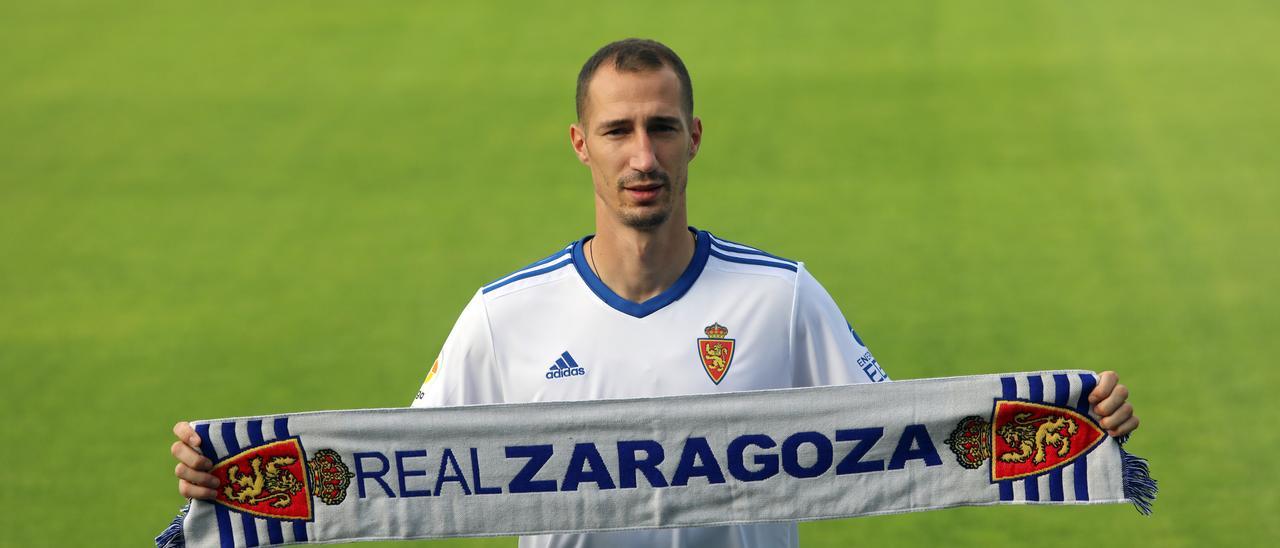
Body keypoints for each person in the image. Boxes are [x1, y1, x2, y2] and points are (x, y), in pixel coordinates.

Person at [170, 38, 1139, 547]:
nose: (643, 154)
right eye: (620, 129)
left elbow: (903, 432)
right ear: (579, 143)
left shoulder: (782, 298)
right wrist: (244, 477)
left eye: (662, 128)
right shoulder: (505, 316)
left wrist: (1069, 425)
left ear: (694, 138)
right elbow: (398, 465)